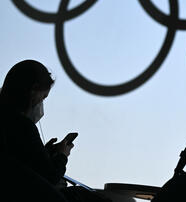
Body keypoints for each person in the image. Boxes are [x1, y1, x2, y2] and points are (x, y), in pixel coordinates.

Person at [0, 60, 111, 202]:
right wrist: (62, 155)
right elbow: (49, 177)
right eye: (43, 97)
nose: (41, 103)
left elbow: (26, 164)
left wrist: (45, 152)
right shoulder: (23, 127)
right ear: (33, 90)